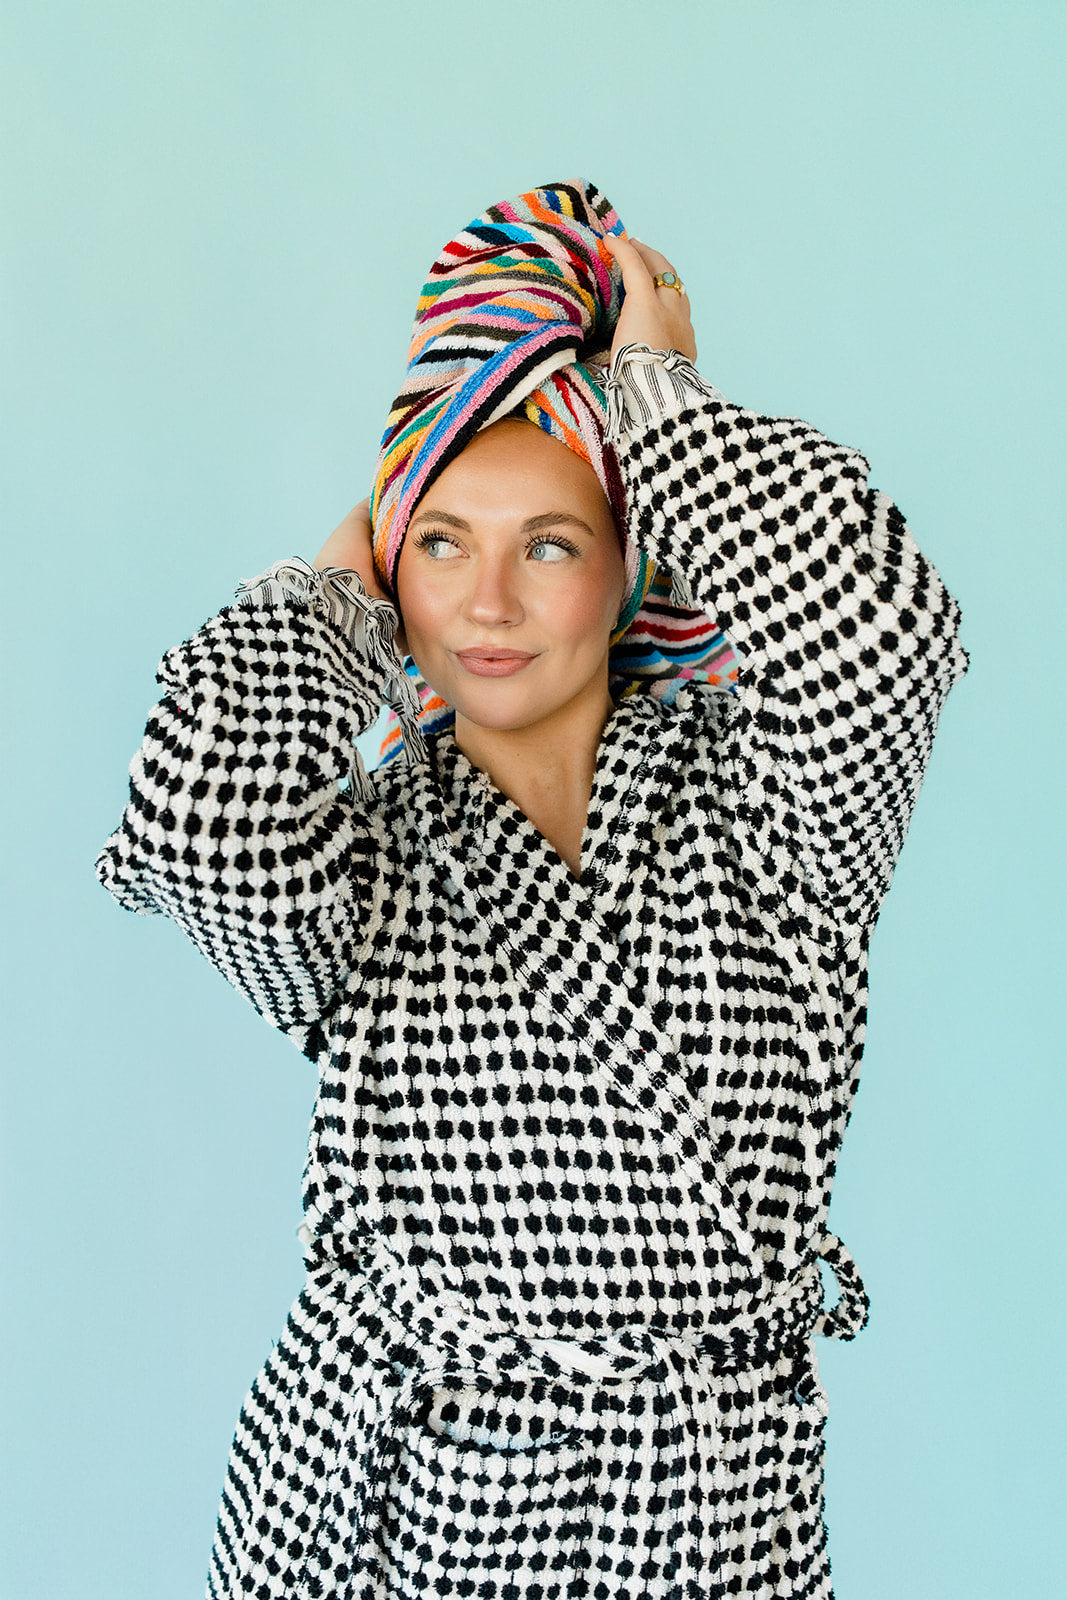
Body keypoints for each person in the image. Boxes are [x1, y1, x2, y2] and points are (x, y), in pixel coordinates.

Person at [95, 180, 968, 1600]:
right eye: (441, 542)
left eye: (549, 544)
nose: (486, 604)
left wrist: (660, 404)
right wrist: (338, 596)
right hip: (408, 1515)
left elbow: (882, 639)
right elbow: (199, 820)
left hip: (710, 1510)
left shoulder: (772, 809)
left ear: (630, 567)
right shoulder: (356, 856)